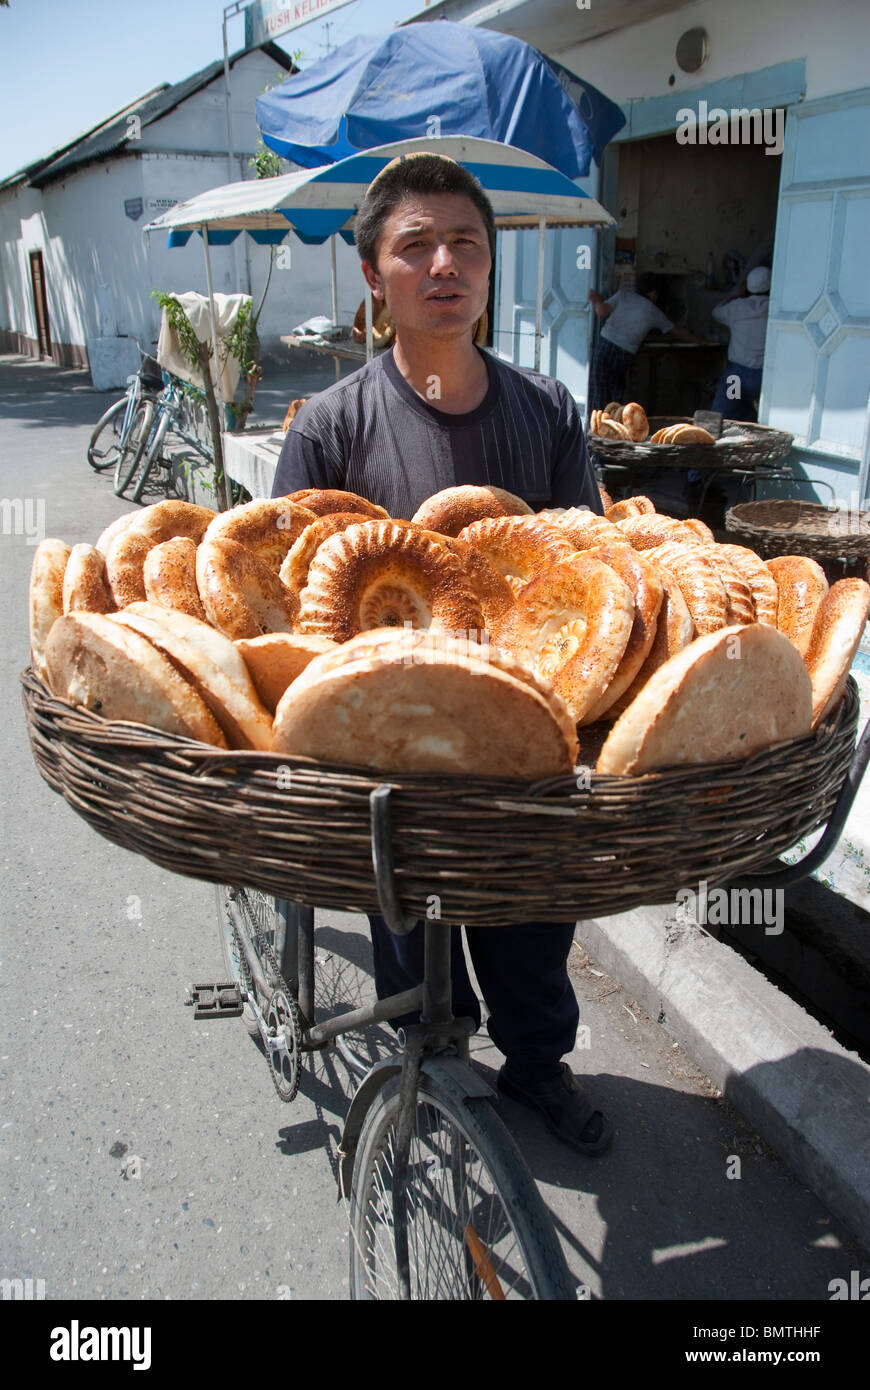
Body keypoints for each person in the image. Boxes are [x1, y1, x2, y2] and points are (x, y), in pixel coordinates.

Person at [272, 150, 612, 1156]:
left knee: (533, 910)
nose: (444, 263)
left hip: (528, 728)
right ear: (375, 277)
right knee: (409, 924)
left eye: (465, 241)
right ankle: (432, 1064)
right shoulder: (331, 427)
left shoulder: (545, 410)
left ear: (490, 265)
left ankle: (539, 1065)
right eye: (414, 245)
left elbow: (594, 572)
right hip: (390, 747)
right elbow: (287, 614)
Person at [587, 273, 703, 415]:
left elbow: (601, 311)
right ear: (653, 294)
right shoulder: (653, 311)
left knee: (598, 395)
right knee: (615, 398)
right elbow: (677, 331)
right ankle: (612, 429)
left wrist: (595, 297)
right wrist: (699, 341)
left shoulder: (624, 295)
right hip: (625, 356)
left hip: (605, 348)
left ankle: (595, 430)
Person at [709, 265, 771, 421]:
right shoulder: (775, 308)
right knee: (759, 421)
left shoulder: (737, 307)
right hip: (763, 379)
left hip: (737, 377)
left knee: (726, 417)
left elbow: (716, 312)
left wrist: (735, 295)